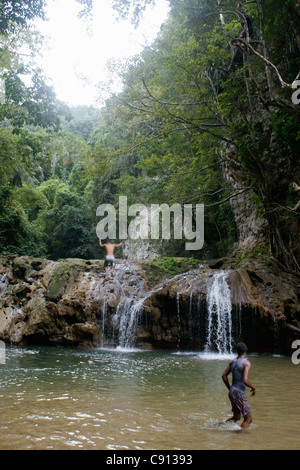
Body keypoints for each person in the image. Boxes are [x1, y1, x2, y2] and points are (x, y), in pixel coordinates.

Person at [222, 342, 256, 428]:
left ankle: (220, 426)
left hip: (232, 391)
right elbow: (245, 380)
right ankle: (241, 437)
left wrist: (230, 388)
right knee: (248, 419)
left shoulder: (233, 361)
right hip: (239, 392)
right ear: (246, 349)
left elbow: (224, 375)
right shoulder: (246, 363)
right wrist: (253, 387)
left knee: (236, 417)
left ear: (236, 351)